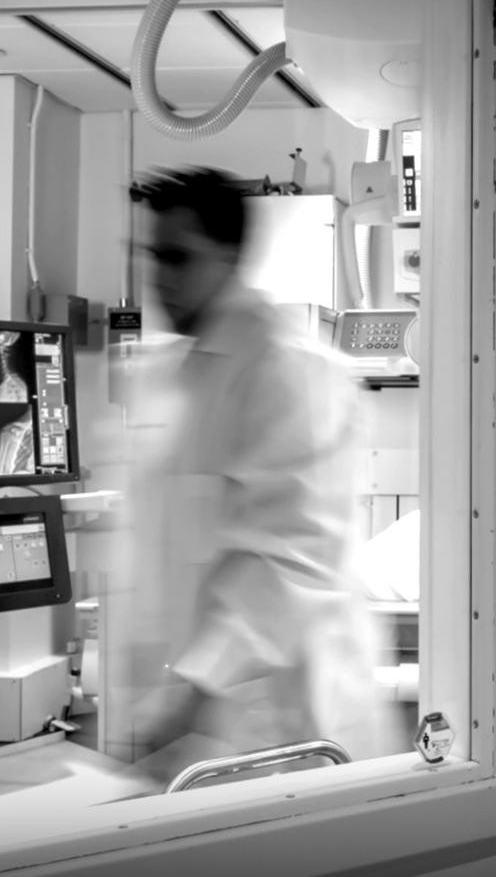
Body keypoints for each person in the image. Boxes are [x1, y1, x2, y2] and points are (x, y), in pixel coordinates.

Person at [118, 166, 399, 782]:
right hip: (191, 724)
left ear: (230, 255)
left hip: (280, 722)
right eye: (150, 256)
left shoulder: (291, 372)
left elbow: (294, 558)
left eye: (176, 257)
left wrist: (189, 689)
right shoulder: (169, 375)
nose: (157, 277)